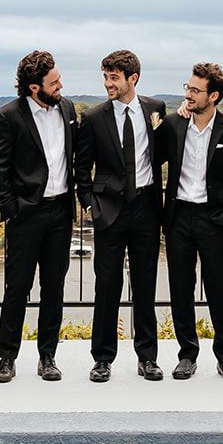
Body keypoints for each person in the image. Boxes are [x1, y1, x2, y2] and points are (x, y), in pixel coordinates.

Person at [0, 50, 78, 383]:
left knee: (53, 288)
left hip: (61, 212)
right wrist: (13, 209)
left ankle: (48, 357)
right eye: (54, 82)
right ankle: (6, 358)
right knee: (18, 288)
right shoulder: (7, 116)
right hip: (27, 215)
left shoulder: (66, 108)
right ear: (33, 87)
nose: (61, 86)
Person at [76, 49, 166, 382]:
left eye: (114, 78)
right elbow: (81, 167)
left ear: (133, 79)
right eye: (105, 77)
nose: (108, 84)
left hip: (146, 208)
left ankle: (148, 357)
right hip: (109, 211)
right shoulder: (95, 117)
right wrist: (89, 203)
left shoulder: (155, 110)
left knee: (145, 285)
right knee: (107, 285)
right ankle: (102, 358)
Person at [157, 62, 223, 380]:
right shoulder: (173, 124)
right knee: (181, 289)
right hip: (179, 216)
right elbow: (152, 164)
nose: (189, 94)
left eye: (196, 90)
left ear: (214, 95)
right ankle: (187, 354)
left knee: (217, 289)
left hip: (213, 219)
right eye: (188, 88)